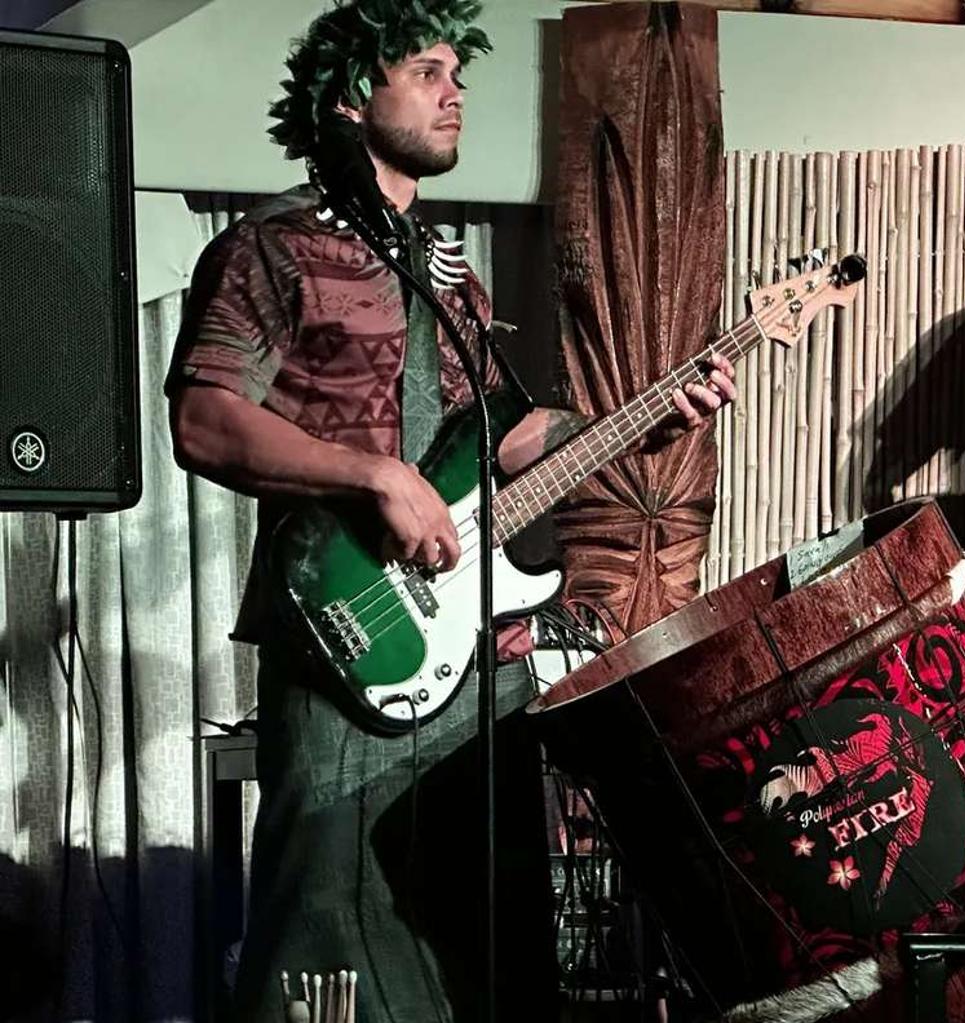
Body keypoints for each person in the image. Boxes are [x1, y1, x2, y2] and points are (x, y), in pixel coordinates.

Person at [165, 3, 733, 1019]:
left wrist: (645, 419)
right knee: (328, 932)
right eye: (424, 70)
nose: (452, 88)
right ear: (349, 98)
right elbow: (205, 422)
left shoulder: (447, 274)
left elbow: (505, 439)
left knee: (478, 928)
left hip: (469, 653)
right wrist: (374, 476)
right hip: (346, 634)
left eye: (453, 72)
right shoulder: (274, 250)